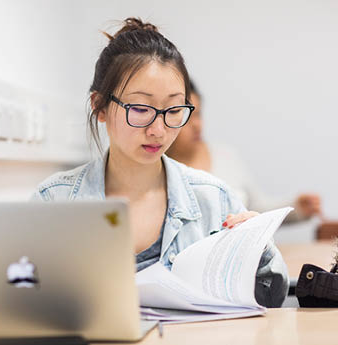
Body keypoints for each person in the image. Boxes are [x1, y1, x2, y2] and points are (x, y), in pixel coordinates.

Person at [32, 18, 288, 307]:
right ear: (99, 106)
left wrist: (258, 248)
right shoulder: (54, 201)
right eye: (141, 109)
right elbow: (18, 301)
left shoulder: (214, 199)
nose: (158, 130)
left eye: (174, 109)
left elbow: (271, 297)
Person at [166, 81, 322, 223]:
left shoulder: (225, 156)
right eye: (187, 117)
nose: (197, 125)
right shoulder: (160, 170)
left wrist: (296, 209)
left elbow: (255, 209)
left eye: (198, 114)